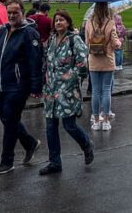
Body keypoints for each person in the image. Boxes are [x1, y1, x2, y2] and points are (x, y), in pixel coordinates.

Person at [39, 10, 95, 175]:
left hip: (67, 90)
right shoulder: (51, 40)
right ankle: (54, 161)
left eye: (62, 20)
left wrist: (73, 80)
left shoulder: (74, 40)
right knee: (50, 126)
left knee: (69, 125)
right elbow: (48, 63)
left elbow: (83, 63)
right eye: (56, 20)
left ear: (68, 23)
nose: (58, 22)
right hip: (51, 90)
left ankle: (86, 144)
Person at [0, 0, 43, 174]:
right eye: (10, 12)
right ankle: (30, 143)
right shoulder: (5, 30)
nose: (12, 16)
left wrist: (36, 87)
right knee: (6, 118)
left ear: (23, 13)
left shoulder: (29, 33)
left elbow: (35, 61)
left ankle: (7, 161)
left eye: (16, 12)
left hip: (19, 85)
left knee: (10, 121)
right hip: (4, 83)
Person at [84, 1, 121, 131]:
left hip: (93, 59)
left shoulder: (88, 23)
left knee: (95, 91)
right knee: (106, 90)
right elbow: (115, 44)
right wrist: (119, 42)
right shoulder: (110, 23)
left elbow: (86, 42)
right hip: (107, 59)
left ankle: (95, 120)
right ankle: (105, 120)